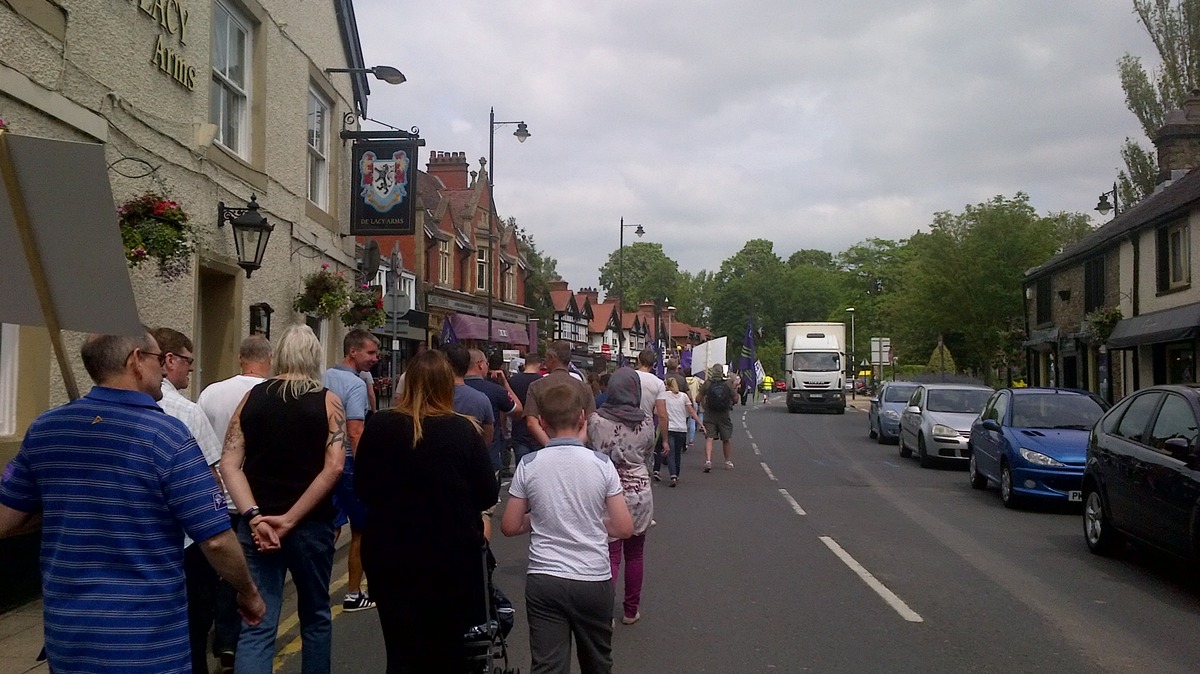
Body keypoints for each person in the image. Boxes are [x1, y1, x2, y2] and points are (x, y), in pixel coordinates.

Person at [0, 330, 264, 674]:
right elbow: (214, 538)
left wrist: (72, 506)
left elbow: (6, 520)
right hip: (146, 642)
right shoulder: (167, 436)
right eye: (158, 360)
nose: (165, 371)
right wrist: (247, 590)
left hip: (69, 637)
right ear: (135, 361)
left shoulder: (46, 429)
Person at [354, 349, 499, 673]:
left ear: (409, 384)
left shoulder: (379, 425)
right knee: (448, 652)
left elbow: (362, 487)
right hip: (450, 558)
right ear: (447, 385)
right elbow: (487, 493)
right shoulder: (464, 430)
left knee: (401, 649)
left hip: (389, 557)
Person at [221, 324, 346, 674]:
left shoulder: (252, 399)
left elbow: (230, 465)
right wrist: (291, 519)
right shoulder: (327, 402)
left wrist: (255, 517)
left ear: (279, 357)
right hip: (311, 527)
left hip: (258, 530)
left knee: (257, 620)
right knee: (316, 618)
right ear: (315, 358)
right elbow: (334, 468)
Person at [501, 382, 634, 674]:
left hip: (545, 577)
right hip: (592, 577)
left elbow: (509, 526)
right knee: (597, 662)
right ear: (583, 418)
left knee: (548, 665)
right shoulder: (601, 464)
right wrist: (592, 521)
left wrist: (541, 517)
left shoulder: (529, 464)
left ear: (543, 422)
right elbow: (624, 528)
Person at [151, 327, 226, 674]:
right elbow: (211, 478)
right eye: (187, 361)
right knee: (194, 629)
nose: (191, 369)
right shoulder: (187, 411)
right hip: (186, 542)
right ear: (168, 361)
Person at [197, 334, 273, 670]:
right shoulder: (271, 394)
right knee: (246, 576)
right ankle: (242, 642)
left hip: (216, 499)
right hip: (251, 502)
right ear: (268, 359)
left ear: (241, 358)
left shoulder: (211, 392)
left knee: (219, 577)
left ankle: (223, 643)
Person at [586, 367, 656, 626]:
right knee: (635, 555)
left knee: (610, 554)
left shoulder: (595, 421)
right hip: (639, 490)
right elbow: (649, 452)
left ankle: (606, 613)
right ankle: (630, 610)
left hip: (607, 490)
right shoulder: (647, 422)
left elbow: (590, 448)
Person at [322, 329, 380, 613]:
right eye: (370, 353)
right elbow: (356, 432)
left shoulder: (322, 377)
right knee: (361, 530)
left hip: (323, 464)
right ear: (352, 351)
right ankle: (354, 594)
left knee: (329, 527)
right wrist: (366, 469)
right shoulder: (355, 385)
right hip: (347, 465)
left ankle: (317, 587)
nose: (375, 358)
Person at [522, 340, 595, 448]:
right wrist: (575, 445)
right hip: (577, 451)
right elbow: (590, 423)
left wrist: (550, 445)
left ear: (552, 358)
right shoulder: (584, 388)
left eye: (546, 359)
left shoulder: (536, 386)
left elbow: (531, 422)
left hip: (543, 450)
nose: (544, 363)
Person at [464, 348, 522, 473]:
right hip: (488, 459)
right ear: (480, 364)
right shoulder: (495, 390)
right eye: (486, 364)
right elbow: (518, 411)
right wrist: (505, 384)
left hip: (458, 460)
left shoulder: (450, 389)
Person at [633, 349, 668, 481]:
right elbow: (662, 414)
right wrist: (664, 440)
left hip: (627, 424)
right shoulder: (658, 383)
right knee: (644, 463)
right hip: (646, 425)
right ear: (653, 364)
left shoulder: (630, 377)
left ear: (639, 360)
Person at [662, 378, 704, 486]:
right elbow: (692, 412)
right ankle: (677, 473)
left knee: (671, 453)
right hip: (681, 429)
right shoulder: (684, 396)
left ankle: (673, 475)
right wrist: (701, 424)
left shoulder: (664, 396)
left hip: (669, 428)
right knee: (677, 453)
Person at [507, 352, 543, 465]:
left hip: (518, 430)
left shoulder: (512, 381)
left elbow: (507, 406)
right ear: (539, 364)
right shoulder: (542, 381)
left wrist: (505, 427)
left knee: (522, 466)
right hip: (539, 431)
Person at [699, 364, 736, 471]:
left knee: (709, 438)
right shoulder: (727, 383)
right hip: (724, 414)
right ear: (721, 373)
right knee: (726, 438)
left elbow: (697, 399)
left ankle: (708, 461)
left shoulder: (707, 384)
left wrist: (704, 403)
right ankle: (728, 462)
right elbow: (735, 399)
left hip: (710, 413)